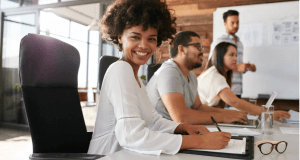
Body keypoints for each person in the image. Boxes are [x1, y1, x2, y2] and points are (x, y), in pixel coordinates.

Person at [88, 0, 231, 156]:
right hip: (109, 155)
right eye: (135, 37)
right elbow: (131, 135)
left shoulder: (136, 78)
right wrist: (202, 142)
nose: (144, 45)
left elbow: (153, 120)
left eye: (151, 39)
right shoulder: (120, 69)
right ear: (121, 37)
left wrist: (182, 128)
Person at [146, 31, 248, 125]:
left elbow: (198, 107)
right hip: (160, 136)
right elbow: (181, 118)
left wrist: (229, 114)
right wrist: (223, 116)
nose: (202, 50)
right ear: (182, 49)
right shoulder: (169, 72)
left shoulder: (191, 76)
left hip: (176, 133)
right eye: (198, 46)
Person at [197, 42, 290, 121]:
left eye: (236, 55)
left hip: (204, 117)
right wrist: (267, 113)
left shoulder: (214, 72)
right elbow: (235, 102)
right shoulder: (215, 76)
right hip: (200, 118)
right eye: (231, 55)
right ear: (220, 56)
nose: (235, 59)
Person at [209, 10, 256, 98]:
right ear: (225, 23)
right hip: (223, 89)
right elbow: (212, 63)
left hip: (238, 90)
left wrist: (248, 68)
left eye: (238, 22)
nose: (236, 25)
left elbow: (237, 66)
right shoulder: (220, 41)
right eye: (232, 22)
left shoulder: (240, 43)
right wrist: (237, 67)